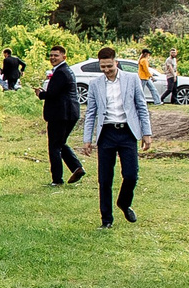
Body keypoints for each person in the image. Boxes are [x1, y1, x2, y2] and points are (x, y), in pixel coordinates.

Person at [81, 45, 153, 228]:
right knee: (104, 178)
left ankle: (124, 202)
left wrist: (147, 133)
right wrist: (87, 139)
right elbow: (91, 113)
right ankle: (106, 220)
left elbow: (141, 107)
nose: (106, 70)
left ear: (116, 62)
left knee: (131, 175)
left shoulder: (132, 79)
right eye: (102, 67)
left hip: (128, 132)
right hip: (107, 134)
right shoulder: (96, 84)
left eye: (109, 66)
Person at [36, 44, 84, 186]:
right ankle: (77, 168)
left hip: (61, 114)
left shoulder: (62, 72)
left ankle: (57, 180)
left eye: (56, 55)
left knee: (54, 147)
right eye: (51, 55)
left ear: (64, 56)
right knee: (60, 143)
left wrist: (41, 94)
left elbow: (52, 93)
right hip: (68, 113)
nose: (52, 58)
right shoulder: (64, 70)